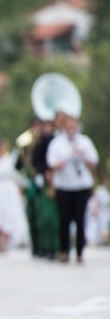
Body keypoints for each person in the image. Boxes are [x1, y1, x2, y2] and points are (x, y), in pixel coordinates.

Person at [46, 111, 99, 263]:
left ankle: (80, 251)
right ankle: (64, 251)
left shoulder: (84, 141)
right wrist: (68, 154)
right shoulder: (57, 143)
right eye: (68, 126)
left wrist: (81, 154)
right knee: (64, 219)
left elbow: (93, 160)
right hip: (64, 186)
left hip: (81, 185)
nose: (71, 129)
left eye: (73, 126)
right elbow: (52, 163)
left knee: (80, 218)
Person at [0, 138, 30, 253]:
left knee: (9, 215)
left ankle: (6, 241)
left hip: (9, 191)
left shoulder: (10, 160)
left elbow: (17, 174)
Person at [29, 118, 59, 259]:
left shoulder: (56, 141)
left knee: (55, 219)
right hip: (43, 182)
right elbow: (36, 161)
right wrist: (44, 172)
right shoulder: (38, 144)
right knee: (44, 219)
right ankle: (45, 247)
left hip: (56, 181)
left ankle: (56, 247)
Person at [85, 172, 110, 248]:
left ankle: (101, 240)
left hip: (106, 211)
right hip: (100, 211)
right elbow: (95, 200)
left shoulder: (106, 191)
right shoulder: (100, 190)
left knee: (103, 227)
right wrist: (95, 209)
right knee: (94, 227)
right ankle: (92, 241)